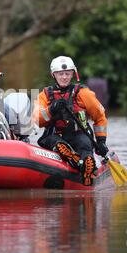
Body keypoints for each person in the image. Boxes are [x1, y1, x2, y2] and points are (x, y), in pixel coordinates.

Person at [32, 56, 109, 186]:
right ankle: (71, 156)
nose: (64, 77)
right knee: (55, 141)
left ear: (73, 74)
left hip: (79, 134)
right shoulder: (44, 95)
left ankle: (86, 165)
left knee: (85, 144)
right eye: (60, 74)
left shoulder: (83, 93)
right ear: (53, 75)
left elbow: (100, 116)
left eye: (67, 73)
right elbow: (37, 120)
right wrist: (52, 109)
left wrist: (101, 141)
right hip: (55, 136)